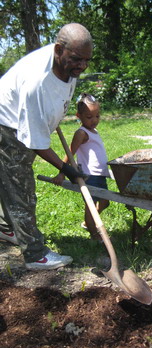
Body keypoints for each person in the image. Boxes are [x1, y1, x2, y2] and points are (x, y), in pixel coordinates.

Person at [0, 23, 93, 271]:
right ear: (59, 49)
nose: (82, 66)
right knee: (21, 192)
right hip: (6, 127)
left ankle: (8, 230)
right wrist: (66, 168)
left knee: (10, 185)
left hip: (20, 121)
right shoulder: (37, 84)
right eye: (76, 59)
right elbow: (35, 142)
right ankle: (35, 255)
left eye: (87, 60)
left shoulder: (65, 64)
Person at [52, 93, 110, 240]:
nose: (94, 120)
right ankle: (93, 232)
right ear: (79, 115)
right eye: (89, 117)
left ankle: (88, 223)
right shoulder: (81, 133)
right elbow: (70, 152)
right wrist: (62, 173)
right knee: (91, 206)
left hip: (99, 174)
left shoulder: (93, 131)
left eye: (97, 116)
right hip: (90, 176)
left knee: (105, 202)